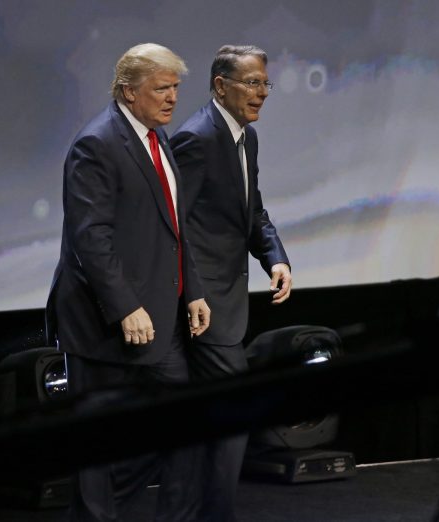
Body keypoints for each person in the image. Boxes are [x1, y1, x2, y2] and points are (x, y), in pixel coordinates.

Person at [46, 43, 211, 522]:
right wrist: (124, 306)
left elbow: (174, 229)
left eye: (176, 88)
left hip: (163, 316)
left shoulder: (159, 140)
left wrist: (193, 289)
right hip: (103, 324)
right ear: (127, 91)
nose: (172, 98)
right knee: (98, 450)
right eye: (162, 88)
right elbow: (89, 239)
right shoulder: (96, 144)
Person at [170, 45, 292, 522]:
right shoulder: (197, 138)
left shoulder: (244, 136)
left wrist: (274, 257)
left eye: (265, 83)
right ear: (221, 86)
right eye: (251, 83)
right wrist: (194, 292)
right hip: (204, 304)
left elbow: (251, 209)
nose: (261, 93)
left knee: (214, 418)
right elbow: (173, 227)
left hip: (227, 297)